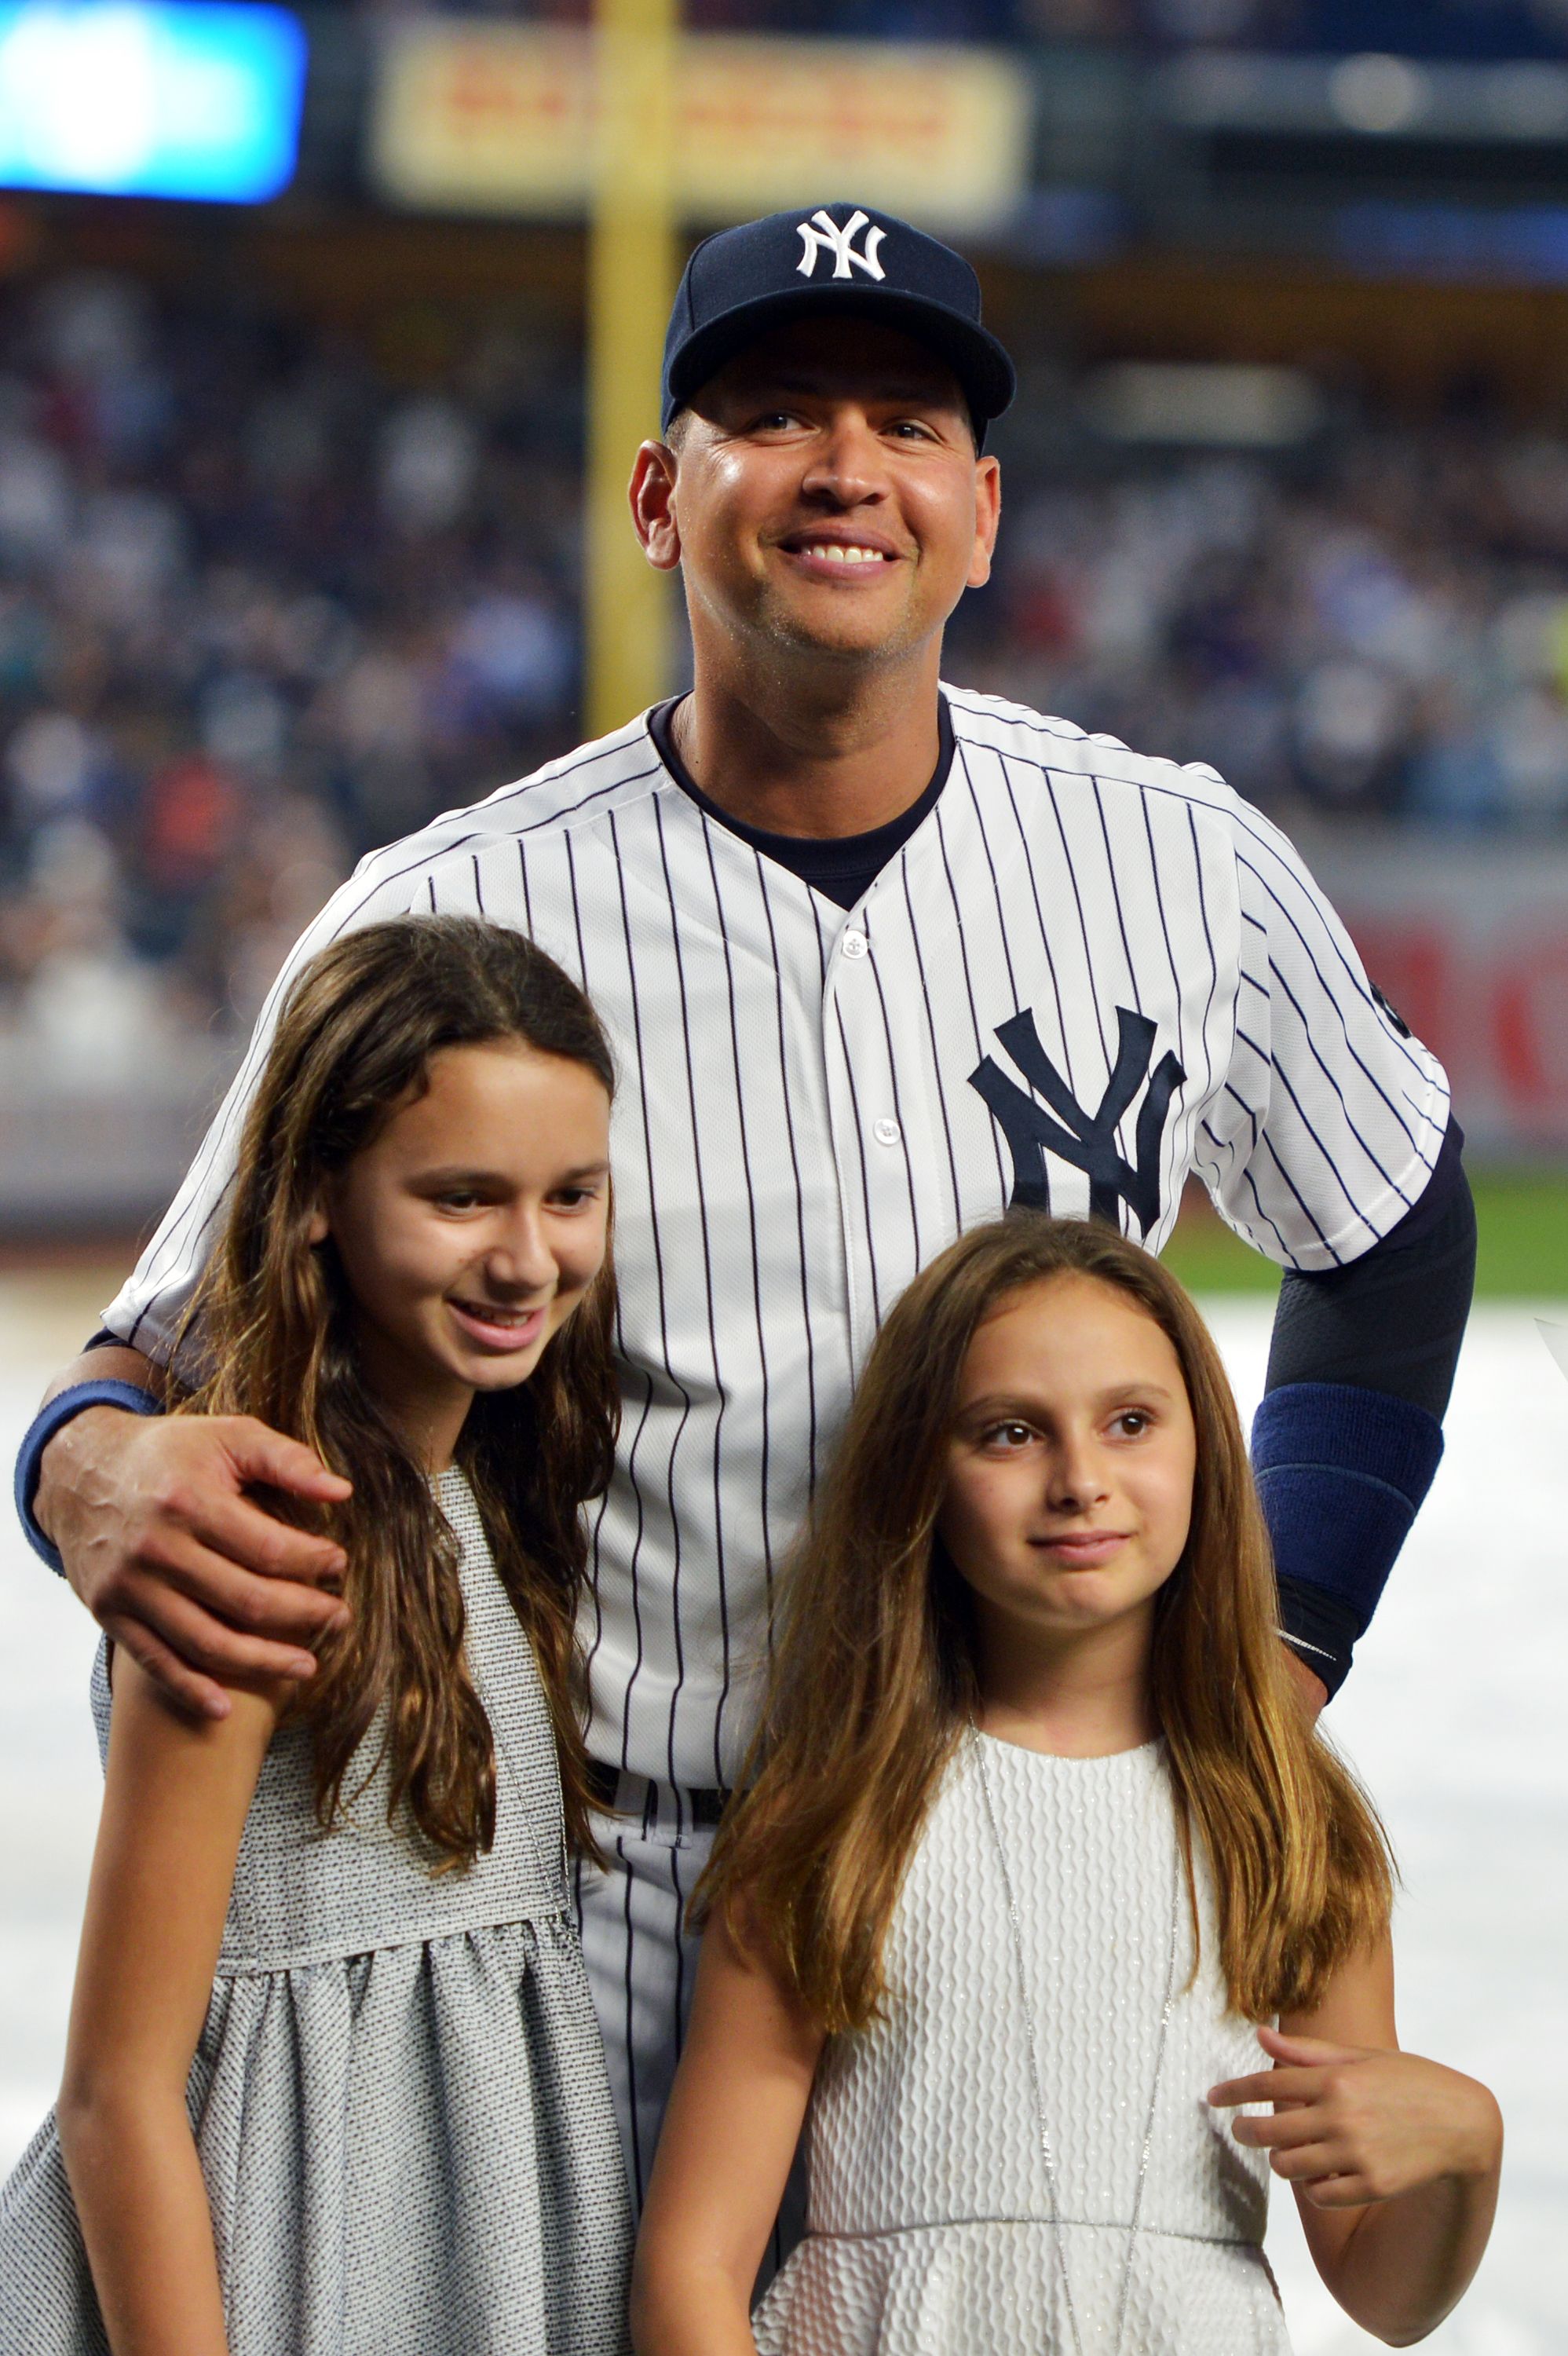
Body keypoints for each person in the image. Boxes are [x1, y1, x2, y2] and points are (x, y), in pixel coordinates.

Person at [17, 204, 1476, 2203]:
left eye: (903, 422)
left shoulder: (1182, 862)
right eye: (774, 412)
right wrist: (84, 1473)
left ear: (981, 510)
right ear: (656, 495)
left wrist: (1284, 1647)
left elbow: (1389, 1227)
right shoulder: (454, 909)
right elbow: (161, 1338)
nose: (844, 467)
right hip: (583, 1898)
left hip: (1020, 1860)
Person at [631, 1216, 1501, 2354]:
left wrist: (1465, 2153)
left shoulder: (1288, 1825)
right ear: (918, 1475)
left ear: (1205, 1449)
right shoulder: (834, 1821)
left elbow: (1384, 2301)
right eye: (1008, 1434)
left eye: (1130, 1422)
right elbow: (691, 2267)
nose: (1079, 1480)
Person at [0, 916, 634, 2356]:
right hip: (280, 2243)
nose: (527, 1258)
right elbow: (118, 2089)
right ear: (312, 1202)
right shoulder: (258, 1535)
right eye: (462, 1199)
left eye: (569, 1196)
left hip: (480, 2234)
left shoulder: (495, 1493)